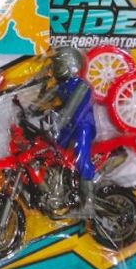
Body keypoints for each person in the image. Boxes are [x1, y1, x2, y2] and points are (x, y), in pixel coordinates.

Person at [50, 48, 97, 185]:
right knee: (52, 152)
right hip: (67, 128)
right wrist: (29, 110)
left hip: (82, 126)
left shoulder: (82, 86)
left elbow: (69, 109)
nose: (55, 68)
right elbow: (43, 100)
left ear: (72, 66)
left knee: (81, 156)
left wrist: (58, 123)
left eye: (59, 65)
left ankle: (88, 195)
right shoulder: (61, 86)